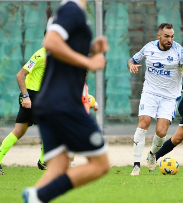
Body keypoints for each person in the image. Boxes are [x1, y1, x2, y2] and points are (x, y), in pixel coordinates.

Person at [22, 0, 110, 202]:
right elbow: (51, 42)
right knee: (100, 164)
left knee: (58, 167)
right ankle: (38, 196)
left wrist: (91, 51)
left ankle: (35, 198)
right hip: (63, 102)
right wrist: (89, 61)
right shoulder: (72, 9)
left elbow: (62, 55)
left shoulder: (67, 11)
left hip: (49, 102)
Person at [127, 23, 183, 176]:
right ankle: (136, 165)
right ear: (159, 36)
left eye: (172, 36)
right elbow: (132, 59)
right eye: (166, 36)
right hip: (150, 93)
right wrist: (131, 65)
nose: (169, 39)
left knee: (161, 132)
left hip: (169, 97)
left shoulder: (179, 51)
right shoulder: (149, 48)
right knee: (143, 123)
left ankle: (152, 154)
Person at [0, 35, 47, 175]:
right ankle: (43, 160)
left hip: (41, 97)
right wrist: (26, 97)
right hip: (31, 96)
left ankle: (43, 161)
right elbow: (20, 75)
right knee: (20, 130)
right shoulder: (40, 55)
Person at [69, 71, 99, 168]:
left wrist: (93, 104)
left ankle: (71, 162)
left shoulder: (84, 86)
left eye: (85, 73)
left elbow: (86, 98)